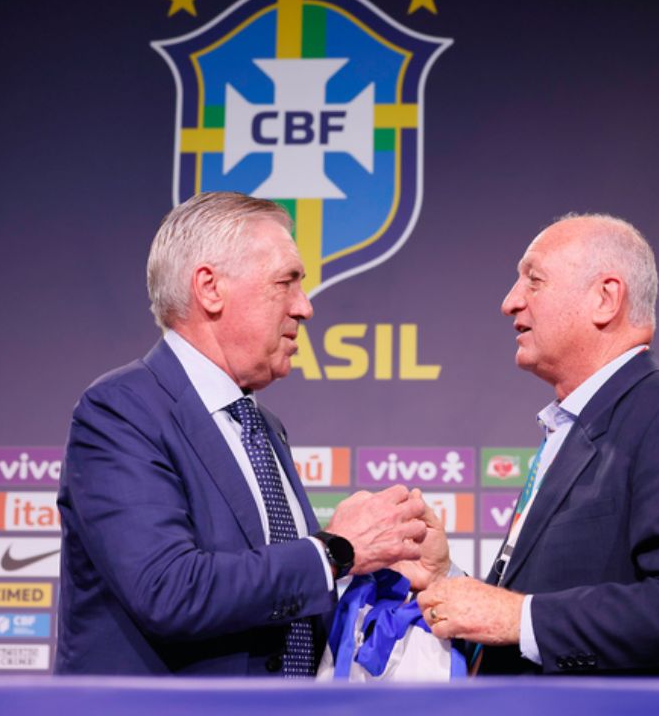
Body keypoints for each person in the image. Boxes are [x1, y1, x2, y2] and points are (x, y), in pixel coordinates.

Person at [56, 191, 428, 676]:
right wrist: (336, 550)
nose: (305, 307)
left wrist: (372, 579)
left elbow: (279, 606)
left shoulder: (262, 426)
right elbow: (169, 589)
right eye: (286, 283)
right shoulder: (122, 410)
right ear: (210, 288)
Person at [418, 213, 659, 676]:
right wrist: (446, 581)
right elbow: (521, 627)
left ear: (605, 299)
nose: (510, 302)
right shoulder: (575, 428)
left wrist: (515, 616)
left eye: (534, 280)